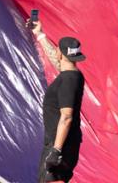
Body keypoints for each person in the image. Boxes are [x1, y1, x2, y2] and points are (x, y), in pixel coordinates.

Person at [32, 22, 85, 183]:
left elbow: (67, 116)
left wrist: (56, 150)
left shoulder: (68, 80)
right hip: (63, 145)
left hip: (60, 146)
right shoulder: (73, 75)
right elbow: (59, 64)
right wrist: (40, 35)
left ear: (60, 53)